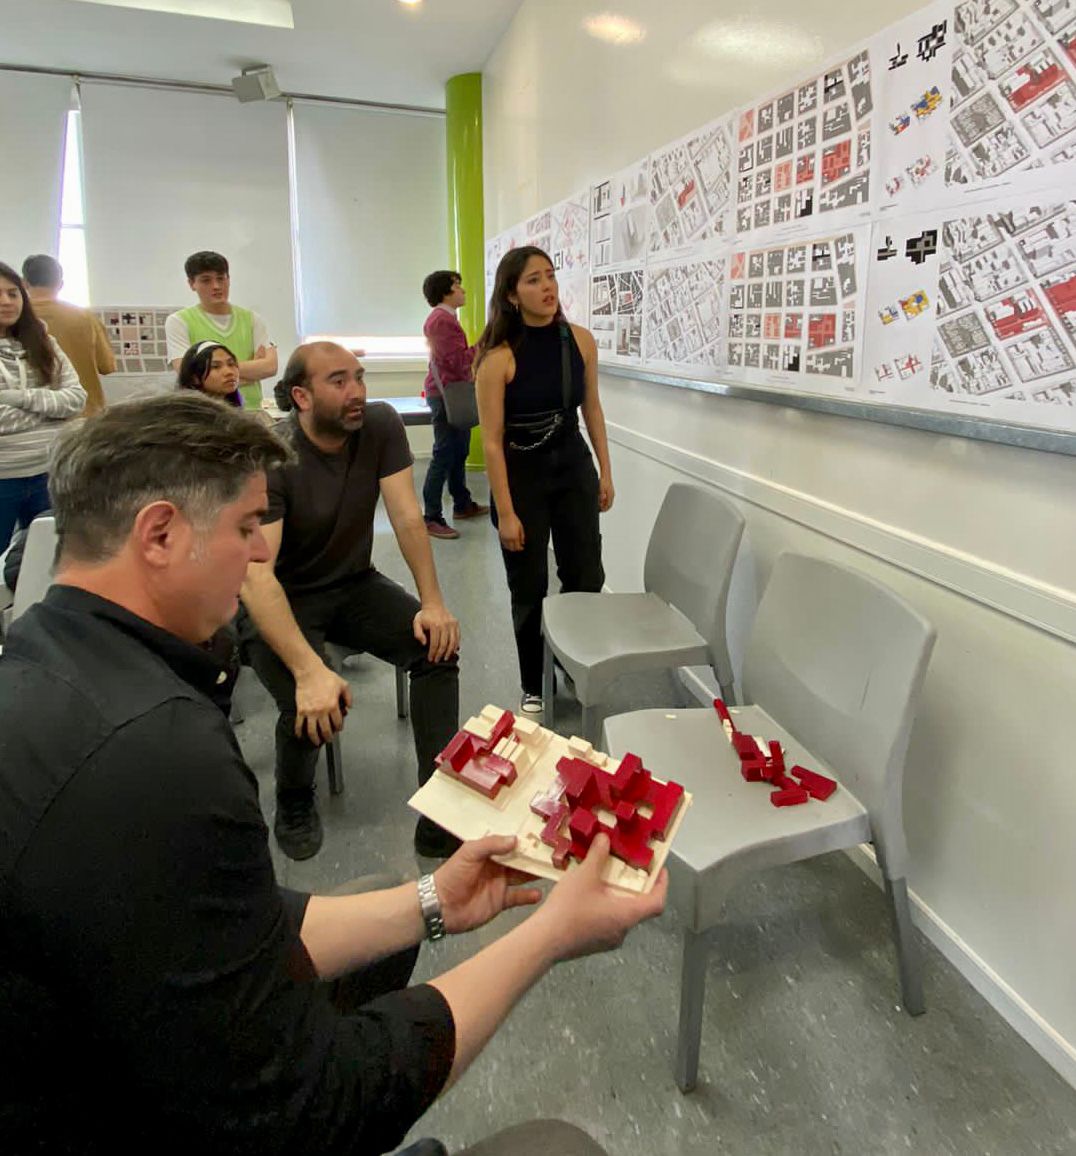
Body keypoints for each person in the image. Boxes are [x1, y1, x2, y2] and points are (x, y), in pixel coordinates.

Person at [0, 391, 666, 1155]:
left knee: (378, 913)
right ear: (160, 534)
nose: (259, 553)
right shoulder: (159, 753)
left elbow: (214, 916)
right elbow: (311, 1113)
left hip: (119, 1047)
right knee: (560, 1148)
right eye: (247, 527)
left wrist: (432, 902)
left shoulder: (45, 661)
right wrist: (550, 934)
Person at [240, 341, 461, 861]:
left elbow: (407, 516)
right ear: (301, 396)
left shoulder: (379, 425)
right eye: (338, 381)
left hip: (353, 584)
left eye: (359, 377)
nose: (357, 391)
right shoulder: (271, 456)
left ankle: (439, 807)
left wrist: (433, 602)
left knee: (437, 649)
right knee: (311, 698)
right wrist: (307, 671)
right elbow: (256, 578)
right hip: (282, 598)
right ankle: (294, 799)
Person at [474, 247, 614, 716]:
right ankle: (533, 681)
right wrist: (507, 512)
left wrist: (605, 470)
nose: (547, 287)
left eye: (550, 276)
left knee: (586, 575)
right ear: (513, 294)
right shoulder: (497, 358)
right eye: (533, 280)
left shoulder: (579, 340)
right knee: (528, 586)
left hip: (572, 467)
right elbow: (492, 443)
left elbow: (591, 409)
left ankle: (575, 666)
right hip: (521, 476)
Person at [0, 260, 86, 553]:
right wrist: (51, 415)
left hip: (48, 472)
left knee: (49, 558)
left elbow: (76, 398)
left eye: (13, 293)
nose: (6, 301)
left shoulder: (44, 341)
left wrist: (19, 399)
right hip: (3, 477)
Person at [421, 269, 489, 539]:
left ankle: (462, 504)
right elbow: (459, 362)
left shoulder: (445, 318)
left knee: (458, 451)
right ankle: (431, 516)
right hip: (446, 395)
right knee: (444, 454)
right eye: (458, 286)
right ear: (445, 292)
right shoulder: (441, 320)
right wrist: (484, 343)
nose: (463, 290)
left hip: (451, 393)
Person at [166, 250, 277, 411]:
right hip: (207, 414)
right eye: (206, 280)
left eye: (221, 278)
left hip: (251, 412)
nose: (216, 286)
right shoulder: (179, 321)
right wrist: (250, 372)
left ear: (229, 279)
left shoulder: (252, 319)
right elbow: (186, 373)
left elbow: (269, 367)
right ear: (192, 284)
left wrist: (211, 373)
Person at [21, 253, 116, 415]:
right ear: (60, 284)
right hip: (85, 415)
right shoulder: (85, 317)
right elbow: (107, 366)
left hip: (32, 417)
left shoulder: (16, 318)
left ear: (23, 284)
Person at [177, 339, 243, 406]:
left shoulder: (236, 411)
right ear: (195, 378)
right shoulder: (186, 415)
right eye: (215, 366)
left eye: (231, 364)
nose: (229, 372)